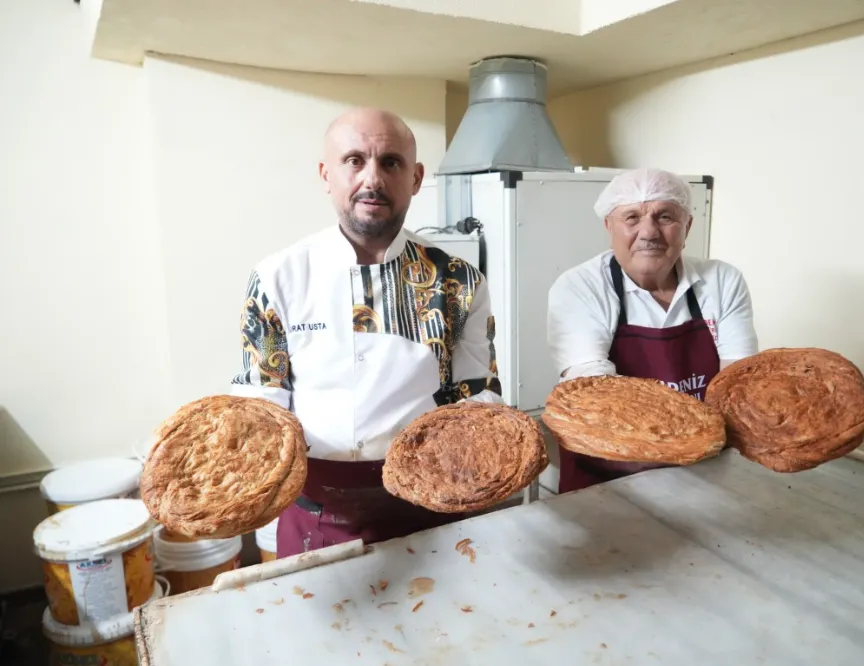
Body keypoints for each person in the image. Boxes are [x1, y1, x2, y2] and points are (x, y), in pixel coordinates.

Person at [231, 108, 503, 557]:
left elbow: (478, 401)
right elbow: (262, 409)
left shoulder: (458, 280)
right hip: (315, 508)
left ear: (415, 179)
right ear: (326, 174)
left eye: (390, 162)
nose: (372, 178)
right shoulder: (277, 277)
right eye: (354, 160)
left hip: (432, 504)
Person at [546, 167, 758, 493]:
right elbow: (597, 398)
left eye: (665, 217)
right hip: (607, 480)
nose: (649, 232)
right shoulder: (580, 286)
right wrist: (686, 441)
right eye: (632, 218)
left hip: (705, 473)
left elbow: (738, 387)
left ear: (687, 226)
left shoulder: (722, 281)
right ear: (608, 226)